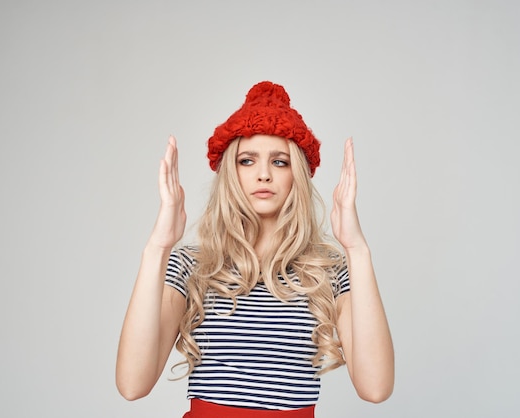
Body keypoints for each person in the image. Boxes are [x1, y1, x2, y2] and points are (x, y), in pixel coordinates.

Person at [116, 81, 394, 417]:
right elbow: (132, 384)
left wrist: (357, 248)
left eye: (280, 162)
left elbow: (376, 388)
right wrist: (158, 247)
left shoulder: (329, 270)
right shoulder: (192, 266)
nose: (263, 174)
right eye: (247, 161)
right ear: (230, 172)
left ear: (298, 175)